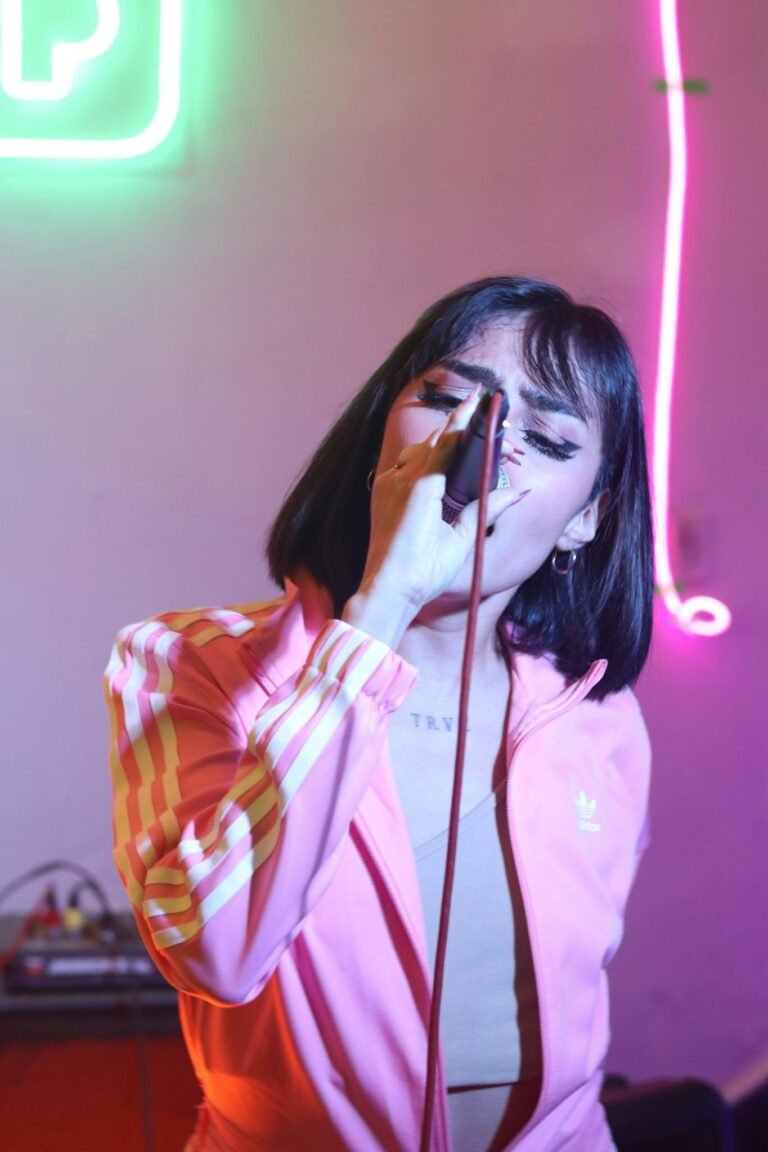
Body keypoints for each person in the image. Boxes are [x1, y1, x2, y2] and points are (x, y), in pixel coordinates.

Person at [105, 276, 653, 1152]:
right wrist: (384, 604)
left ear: (587, 516)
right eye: (447, 399)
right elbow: (213, 950)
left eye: (548, 440)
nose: (486, 450)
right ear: (381, 439)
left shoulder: (596, 713)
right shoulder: (189, 662)